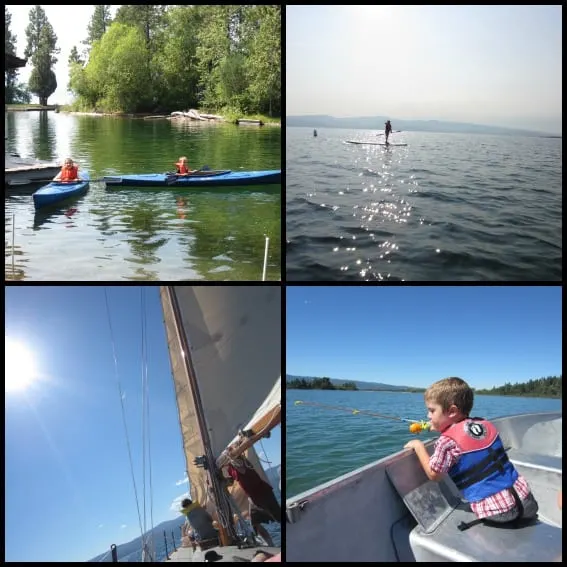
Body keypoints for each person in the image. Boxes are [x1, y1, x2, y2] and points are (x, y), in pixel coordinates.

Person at [404, 377, 539, 529]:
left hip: (499, 512)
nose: (428, 416)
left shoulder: (446, 442)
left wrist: (418, 446)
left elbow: (435, 474)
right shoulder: (484, 423)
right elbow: (461, 431)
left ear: (453, 411)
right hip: (525, 499)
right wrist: (435, 426)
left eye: (431, 410)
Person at [224, 455, 281, 525]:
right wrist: (223, 480)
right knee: (254, 522)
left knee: (277, 514)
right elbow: (232, 480)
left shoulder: (244, 461)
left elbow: (243, 471)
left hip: (264, 491)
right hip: (254, 497)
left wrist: (234, 461)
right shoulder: (230, 469)